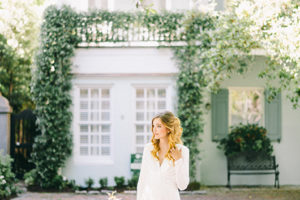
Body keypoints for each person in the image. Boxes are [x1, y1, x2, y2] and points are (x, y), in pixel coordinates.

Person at [136, 111, 190, 200]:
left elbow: (182, 185)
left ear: (168, 129)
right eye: (153, 126)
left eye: (159, 126)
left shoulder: (182, 151)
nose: (154, 129)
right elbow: (142, 180)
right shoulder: (148, 149)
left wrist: (178, 160)